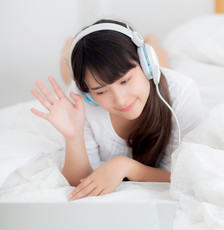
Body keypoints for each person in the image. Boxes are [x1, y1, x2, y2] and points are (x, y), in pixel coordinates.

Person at [31, 19, 206, 201]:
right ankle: (68, 49)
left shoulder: (182, 91)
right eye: (101, 91)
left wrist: (127, 167)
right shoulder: (81, 102)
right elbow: (79, 182)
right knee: (71, 78)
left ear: (146, 65)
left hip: (158, 80)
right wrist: (73, 136)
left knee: (161, 67)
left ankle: (152, 42)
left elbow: (184, 178)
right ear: (89, 94)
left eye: (125, 80)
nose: (120, 100)